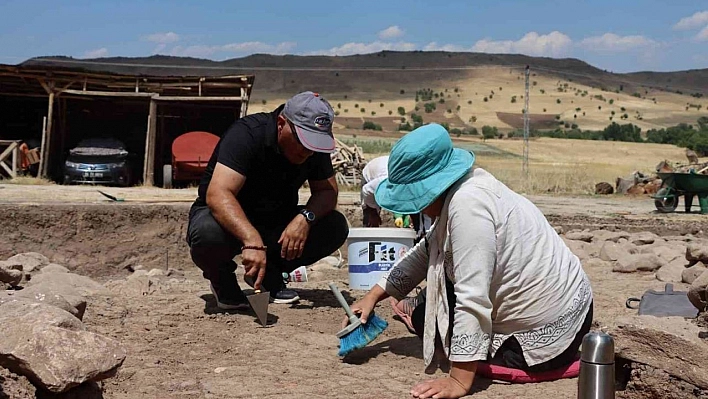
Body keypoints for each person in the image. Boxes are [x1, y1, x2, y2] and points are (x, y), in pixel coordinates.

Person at [347, 124, 593, 399]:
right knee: (429, 311)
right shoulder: (462, 187)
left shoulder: (468, 205)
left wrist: (458, 380)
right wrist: (373, 296)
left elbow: (472, 297)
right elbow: (426, 250)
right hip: (568, 307)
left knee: (430, 321)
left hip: (549, 329)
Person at [187, 91, 349, 309]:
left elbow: (327, 192)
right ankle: (222, 280)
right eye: (303, 142)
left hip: (275, 220)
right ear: (282, 123)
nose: (308, 152)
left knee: (335, 226)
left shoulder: (312, 148)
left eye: (314, 144)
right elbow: (218, 194)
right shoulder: (247, 134)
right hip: (225, 221)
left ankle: (269, 276)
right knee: (207, 233)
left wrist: (304, 219)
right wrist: (251, 240)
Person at [360, 155, 432, 240]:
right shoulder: (385, 182)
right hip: (371, 175)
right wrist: (373, 212)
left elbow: (420, 211)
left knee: (418, 220)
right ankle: (369, 242)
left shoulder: (417, 185)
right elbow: (366, 190)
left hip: (392, 172)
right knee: (371, 221)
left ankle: (418, 238)